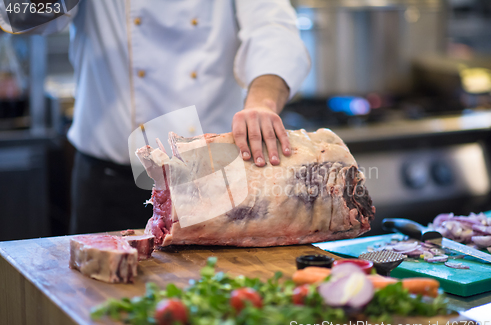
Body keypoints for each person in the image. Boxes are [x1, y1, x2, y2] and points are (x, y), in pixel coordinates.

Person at [0, 0, 310, 234]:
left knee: (215, 302)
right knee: (100, 305)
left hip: (211, 180)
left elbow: (273, 28)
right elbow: (19, 15)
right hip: (108, 182)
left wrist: (262, 101)